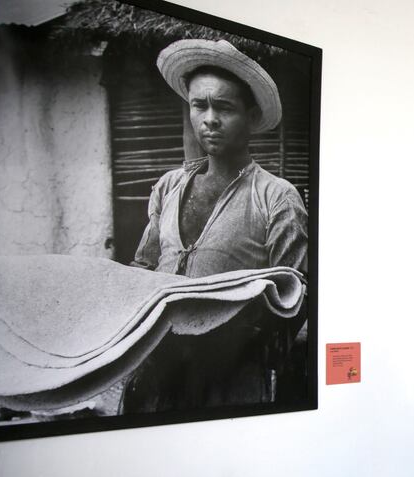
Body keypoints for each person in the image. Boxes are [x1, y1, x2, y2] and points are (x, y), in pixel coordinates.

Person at [122, 39, 309, 413]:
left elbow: (295, 293)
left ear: (252, 117)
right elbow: (143, 267)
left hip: (230, 377)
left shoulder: (277, 196)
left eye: (224, 107)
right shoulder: (169, 187)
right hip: (155, 370)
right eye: (199, 105)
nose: (209, 118)